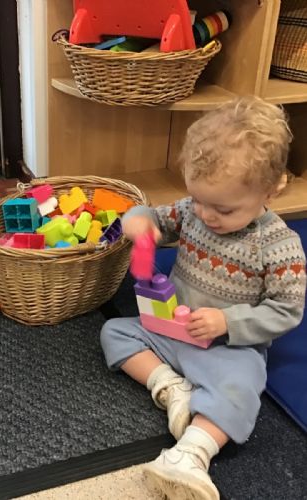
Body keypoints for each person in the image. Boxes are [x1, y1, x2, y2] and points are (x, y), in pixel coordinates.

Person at [100, 96, 306, 499]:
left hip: (226, 348)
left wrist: (228, 323)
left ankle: (190, 455)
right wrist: (138, 222)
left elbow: (286, 312)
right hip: (169, 329)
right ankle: (172, 388)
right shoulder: (193, 213)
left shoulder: (279, 247)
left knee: (244, 387)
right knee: (114, 332)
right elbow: (151, 216)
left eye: (223, 209)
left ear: (272, 190)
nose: (207, 215)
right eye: (198, 199)